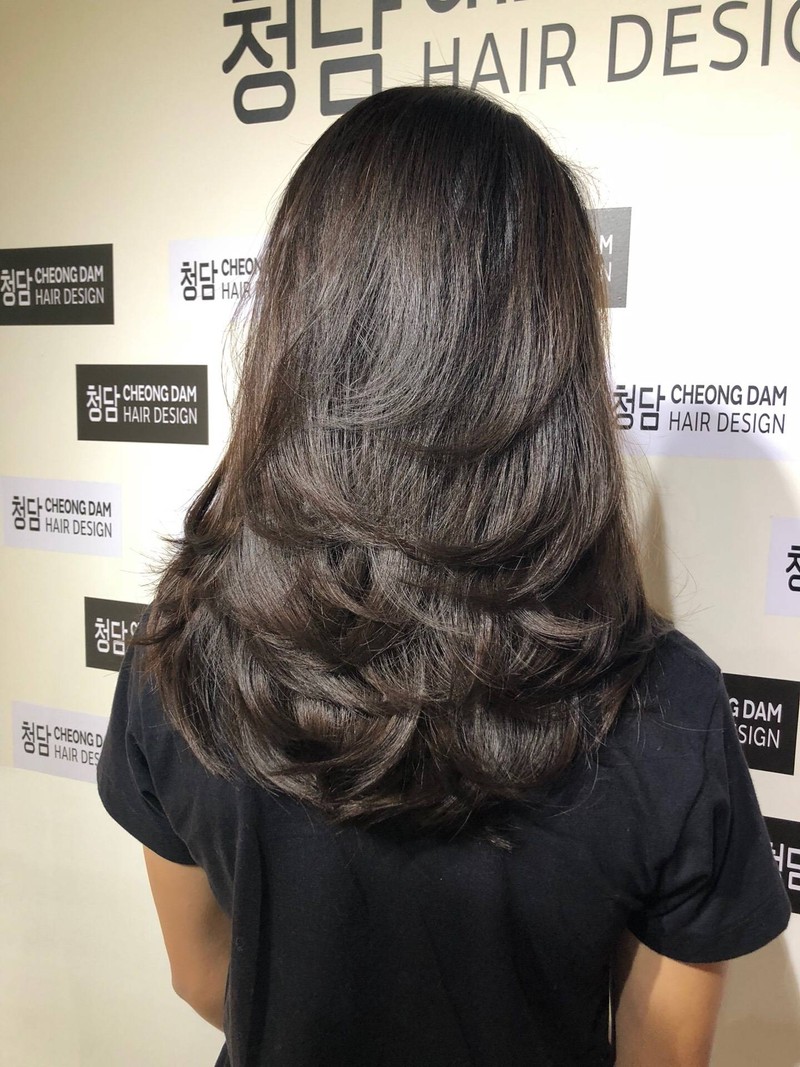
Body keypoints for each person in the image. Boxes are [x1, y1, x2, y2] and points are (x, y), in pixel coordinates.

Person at [96, 84, 790, 1067]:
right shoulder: (664, 705)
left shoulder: (183, 654)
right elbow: (663, 1054)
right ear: (552, 351)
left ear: (299, 322)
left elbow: (202, 974)